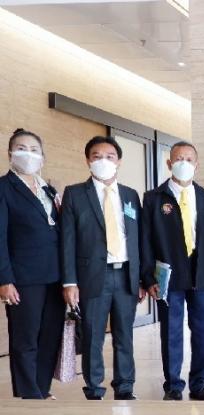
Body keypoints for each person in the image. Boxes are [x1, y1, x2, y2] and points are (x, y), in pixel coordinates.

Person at [60, 136, 146, 400]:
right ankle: (94, 388)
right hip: (92, 276)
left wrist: (142, 278)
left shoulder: (130, 195)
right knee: (93, 336)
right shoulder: (75, 193)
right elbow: (67, 241)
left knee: (124, 335)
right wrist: (70, 282)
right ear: (88, 160)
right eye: (96, 156)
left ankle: (125, 386)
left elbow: (139, 239)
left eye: (110, 156)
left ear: (119, 161)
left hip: (126, 275)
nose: (103, 161)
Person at [140, 142, 204, 401]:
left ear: (197, 164)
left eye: (189, 159)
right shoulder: (153, 198)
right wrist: (148, 276)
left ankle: (200, 384)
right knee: (172, 331)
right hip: (169, 275)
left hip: (202, 273)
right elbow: (145, 241)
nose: (184, 163)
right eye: (178, 158)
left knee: (203, 331)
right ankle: (173, 385)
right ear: (169, 163)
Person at [0, 129, 65, 399]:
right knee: (25, 339)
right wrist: (4, 279)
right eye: (21, 148)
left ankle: (41, 389)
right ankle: (28, 396)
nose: (28, 154)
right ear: (10, 154)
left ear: (42, 156)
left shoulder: (48, 189)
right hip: (24, 278)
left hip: (56, 275)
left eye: (34, 149)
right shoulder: (4, 188)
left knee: (50, 337)